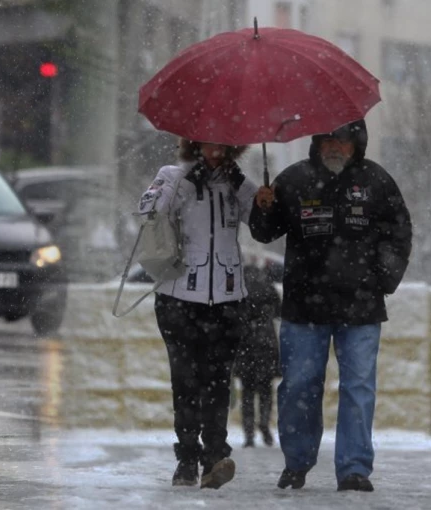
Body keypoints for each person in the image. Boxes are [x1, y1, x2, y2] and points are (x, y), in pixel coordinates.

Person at [250, 119, 412, 492]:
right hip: (304, 307)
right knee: (299, 386)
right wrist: (264, 208)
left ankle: (354, 469)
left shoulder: (378, 182)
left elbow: (399, 232)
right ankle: (297, 462)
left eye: (342, 140)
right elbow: (263, 232)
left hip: (362, 308)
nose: (334, 147)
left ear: (357, 144)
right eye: (327, 140)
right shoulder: (292, 180)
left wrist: (382, 278)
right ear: (316, 142)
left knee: (358, 387)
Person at [139, 140, 258, 489]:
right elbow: (149, 210)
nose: (215, 147)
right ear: (193, 142)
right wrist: (185, 181)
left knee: (219, 381)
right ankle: (187, 458)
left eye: (223, 141)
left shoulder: (239, 183)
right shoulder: (173, 176)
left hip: (228, 296)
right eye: (207, 140)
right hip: (179, 296)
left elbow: (264, 228)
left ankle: (215, 457)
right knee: (186, 380)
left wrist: (259, 196)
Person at [234, 262, 281, 448]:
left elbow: (233, 313)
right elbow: (279, 311)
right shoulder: (268, 285)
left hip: (245, 343)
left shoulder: (240, 286)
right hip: (266, 342)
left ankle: (249, 433)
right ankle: (264, 424)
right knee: (266, 389)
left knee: (247, 391)